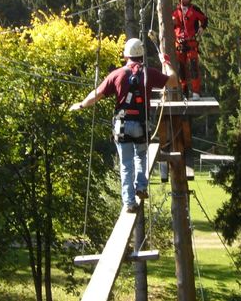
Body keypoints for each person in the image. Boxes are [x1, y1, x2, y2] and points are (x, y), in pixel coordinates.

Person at [70, 38, 177, 213]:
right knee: (141, 157)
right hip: (141, 125)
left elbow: (96, 95)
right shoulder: (149, 73)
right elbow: (173, 81)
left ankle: (129, 202)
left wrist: (81, 104)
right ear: (142, 55)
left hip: (122, 125)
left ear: (126, 55)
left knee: (126, 164)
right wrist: (166, 63)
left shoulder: (116, 75)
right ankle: (141, 187)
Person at [172, 0, 208, 100]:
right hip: (179, 43)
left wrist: (202, 27)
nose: (185, 0)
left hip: (191, 42)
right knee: (181, 69)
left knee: (193, 67)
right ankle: (184, 92)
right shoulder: (175, 12)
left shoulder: (194, 9)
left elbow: (205, 19)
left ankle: (196, 92)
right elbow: (172, 25)